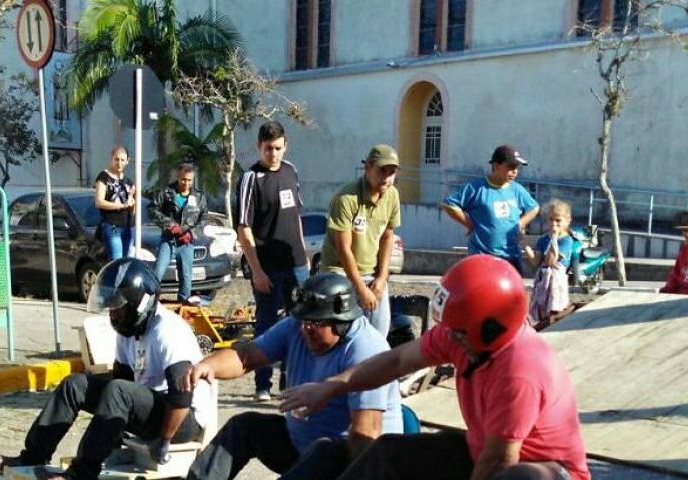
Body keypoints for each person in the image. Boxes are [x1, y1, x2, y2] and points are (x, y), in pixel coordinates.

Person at [280, 255, 591, 480]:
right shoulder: (464, 333)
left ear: (491, 328)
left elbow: (499, 463)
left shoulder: (520, 371)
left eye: (457, 331)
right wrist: (333, 385)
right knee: (387, 453)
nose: (449, 337)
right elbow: (396, 361)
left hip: (545, 471)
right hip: (481, 452)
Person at [0, 258, 214, 480]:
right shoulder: (129, 329)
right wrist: (112, 431)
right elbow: (121, 380)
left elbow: (182, 396)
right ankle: (32, 457)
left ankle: (81, 474)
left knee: (119, 391)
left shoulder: (168, 331)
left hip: (182, 420)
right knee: (75, 385)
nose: (113, 315)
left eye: (117, 308)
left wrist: (164, 440)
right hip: (150, 409)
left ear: (138, 304)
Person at [183, 272, 404, 480]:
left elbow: (366, 432)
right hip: (300, 447)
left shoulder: (365, 349)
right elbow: (246, 357)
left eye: (314, 323)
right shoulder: (297, 327)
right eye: (303, 320)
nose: (305, 328)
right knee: (244, 427)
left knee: (325, 451)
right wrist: (207, 365)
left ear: (341, 322)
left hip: (349, 461)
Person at [236, 121, 310, 401]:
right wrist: (256, 271)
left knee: (300, 323)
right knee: (266, 326)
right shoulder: (250, 179)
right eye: (268, 149)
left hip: (296, 265)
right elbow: (243, 229)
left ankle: (289, 381)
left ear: (285, 145)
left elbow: (297, 219)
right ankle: (262, 384)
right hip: (267, 268)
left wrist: (303, 258)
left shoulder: (291, 171)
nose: (273, 154)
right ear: (259, 147)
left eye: (278, 148)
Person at [320, 144, 401, 336]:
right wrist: (360, 288)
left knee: (379, 335)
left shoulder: (392, 195)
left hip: (371, 273)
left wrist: (382, 278)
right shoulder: (346, 198)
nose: (387, 178)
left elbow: (388, 237)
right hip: (339, 272)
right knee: (343, 335)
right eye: (382, 171)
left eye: (392, 173)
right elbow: (343, 249)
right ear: (367, 168)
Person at [442, 144, 540, 275]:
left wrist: (520, 223)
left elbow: (534, 208)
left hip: (511, 258)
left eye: (517, 168)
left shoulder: (517, 189)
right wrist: (468, 223)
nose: (515, 171)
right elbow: (449, 205)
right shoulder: (477, 188)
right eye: (510, 167)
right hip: (483, 257)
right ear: (496, 165)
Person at [151, 163, 211, 305]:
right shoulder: (166, 193)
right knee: (158, 271)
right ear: (178, 178)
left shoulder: (199, 197)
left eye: (189, 180)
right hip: (168, 240)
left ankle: (183, 305)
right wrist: (169, 224)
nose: (186, 183)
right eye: (183, 179)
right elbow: (153, 210)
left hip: (186, 242)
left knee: (186, 276)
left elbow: (205, 218)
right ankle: (151, 302)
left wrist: (191, 233)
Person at [526, 200, 574, 326]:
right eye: (551, 219)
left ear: (567, 221)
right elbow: (536, 261)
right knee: (540, 306)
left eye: (558, 220)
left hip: (556, 279)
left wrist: (554, 238)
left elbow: (551, 261)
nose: (554, 223)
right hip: (543, 278)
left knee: (554, 305)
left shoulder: (566, 240)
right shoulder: (543, 240)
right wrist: (525, 245)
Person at [95, 146, 136, 260]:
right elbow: (99, 202)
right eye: (116, 159)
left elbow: (132, 210)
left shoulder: (128, 182)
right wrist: (122, 205)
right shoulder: (104, 176)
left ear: (127, 161)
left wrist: (133, 202)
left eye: (122, 160)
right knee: (116, 262)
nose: (119, 163)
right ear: (111, 159)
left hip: (128, 227)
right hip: (112, 226)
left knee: (126, 263)